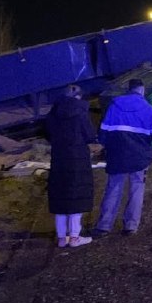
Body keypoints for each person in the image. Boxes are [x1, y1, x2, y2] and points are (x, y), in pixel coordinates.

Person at [92, 79, 152, 238]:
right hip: (140, 157)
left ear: (129, 90)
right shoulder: (149, 109)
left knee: (113, 188)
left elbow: (103, 133)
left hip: (117, 156)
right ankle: (130, 226)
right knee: (136, 189)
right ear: (142, 90)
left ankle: (104, 226)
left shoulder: (114, 107)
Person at [45, 84, 95, 248]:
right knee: (76, 196)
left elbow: (47, 134)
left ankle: (61, 238)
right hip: (77, 157)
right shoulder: (80, 113)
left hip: (59, 157)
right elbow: (89, 135)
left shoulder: (53, 113)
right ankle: (74, 237)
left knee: (60, 196)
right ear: (78, 97)